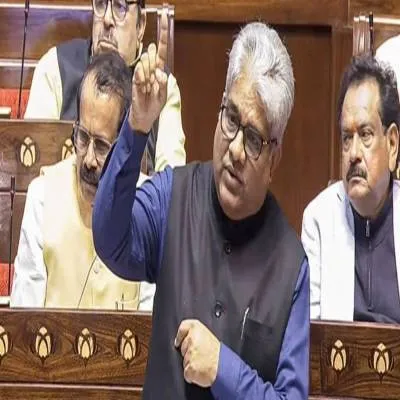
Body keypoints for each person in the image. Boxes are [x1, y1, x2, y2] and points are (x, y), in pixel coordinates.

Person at [93, 15, 309, 399]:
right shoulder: (173, 196)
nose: (236, 150)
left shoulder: (291, 265)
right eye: (231, 119)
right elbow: (110, 241)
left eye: (254, 139)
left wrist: (224, 370)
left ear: (274, 160)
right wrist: (137, 127)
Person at [11, 51, 154, 310]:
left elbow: (150, 320)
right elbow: (24, 316)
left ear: (124, 145)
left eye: (101, 146)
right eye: (83, 137)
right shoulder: (42, 198)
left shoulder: (145, 206)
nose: (88, 160)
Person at [24, 0, 185, 175]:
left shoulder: (161, 85)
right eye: (101, 3)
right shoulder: (55, 68)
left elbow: (172, 183)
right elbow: (33, 172)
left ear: (140, 25)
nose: (107, 19)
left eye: (120, 6)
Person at [302, 55, 400, 323]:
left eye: (365, 134)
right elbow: (312, 333)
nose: (353, 153)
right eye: (347, 137)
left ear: (392, 144)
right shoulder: (319, 219)